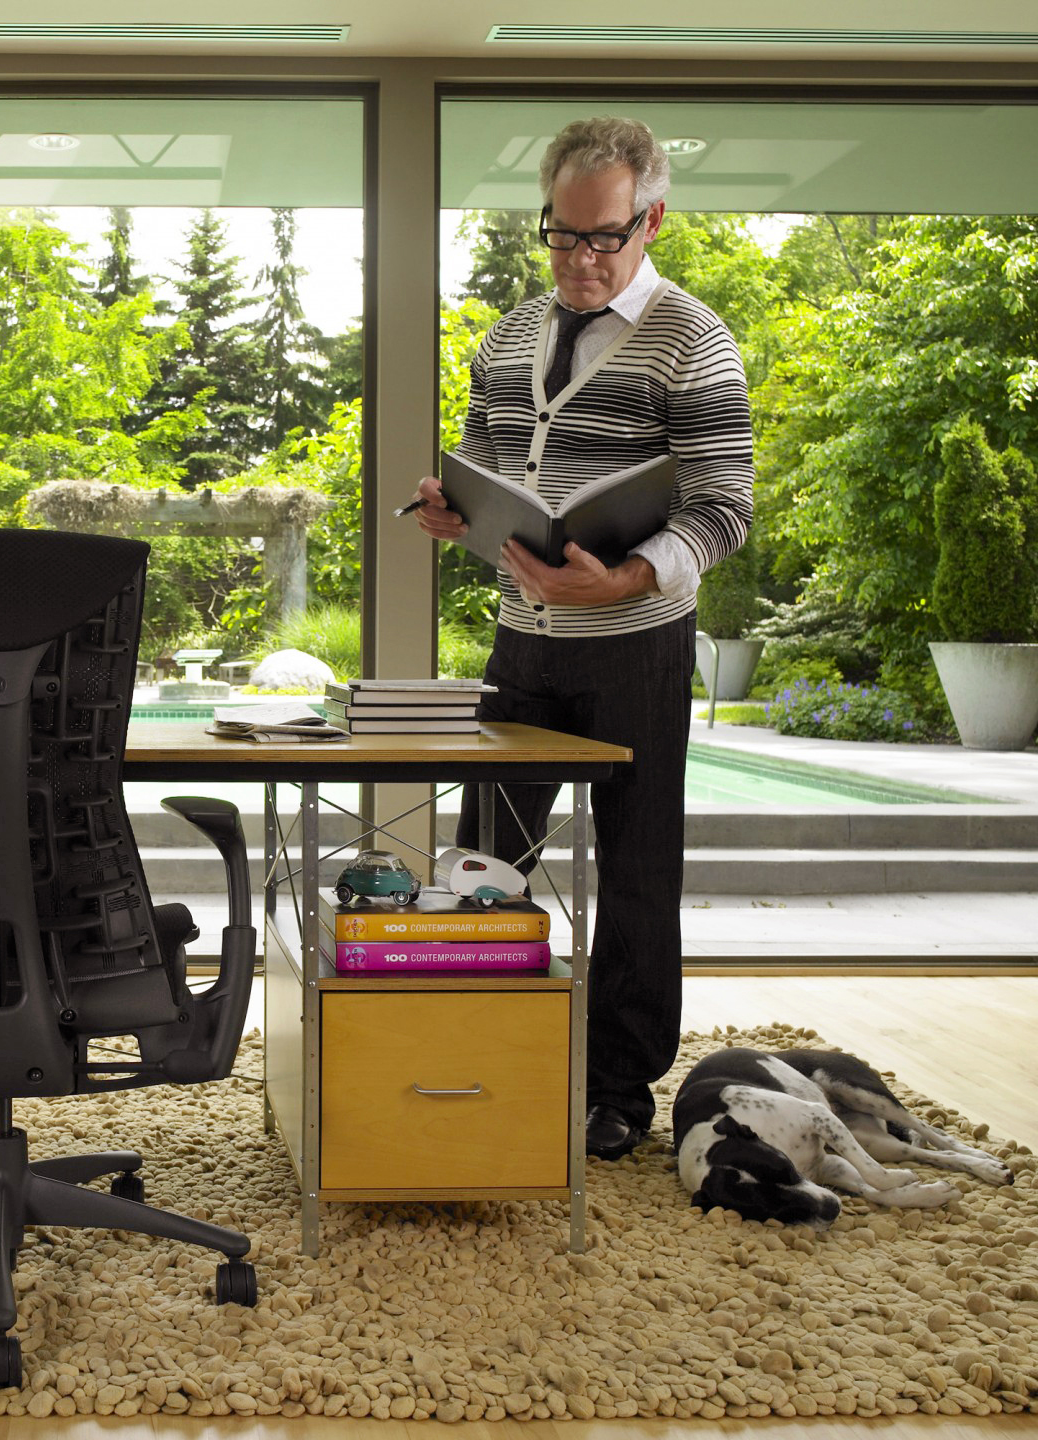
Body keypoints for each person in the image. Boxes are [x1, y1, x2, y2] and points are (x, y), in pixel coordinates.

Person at [413, 116, 753, 1160]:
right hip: (523, 640)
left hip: (637, 643)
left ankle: (618, 1088)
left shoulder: (694, 341)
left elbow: (725, 508)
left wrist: (630, 577)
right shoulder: (509, 336)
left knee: (638, 871)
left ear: (652, 221)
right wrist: (454, 508)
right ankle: (481, 1055)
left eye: (603, 236)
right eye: (560, 235)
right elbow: (482, 456)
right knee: (483, 860)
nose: (579, 259)